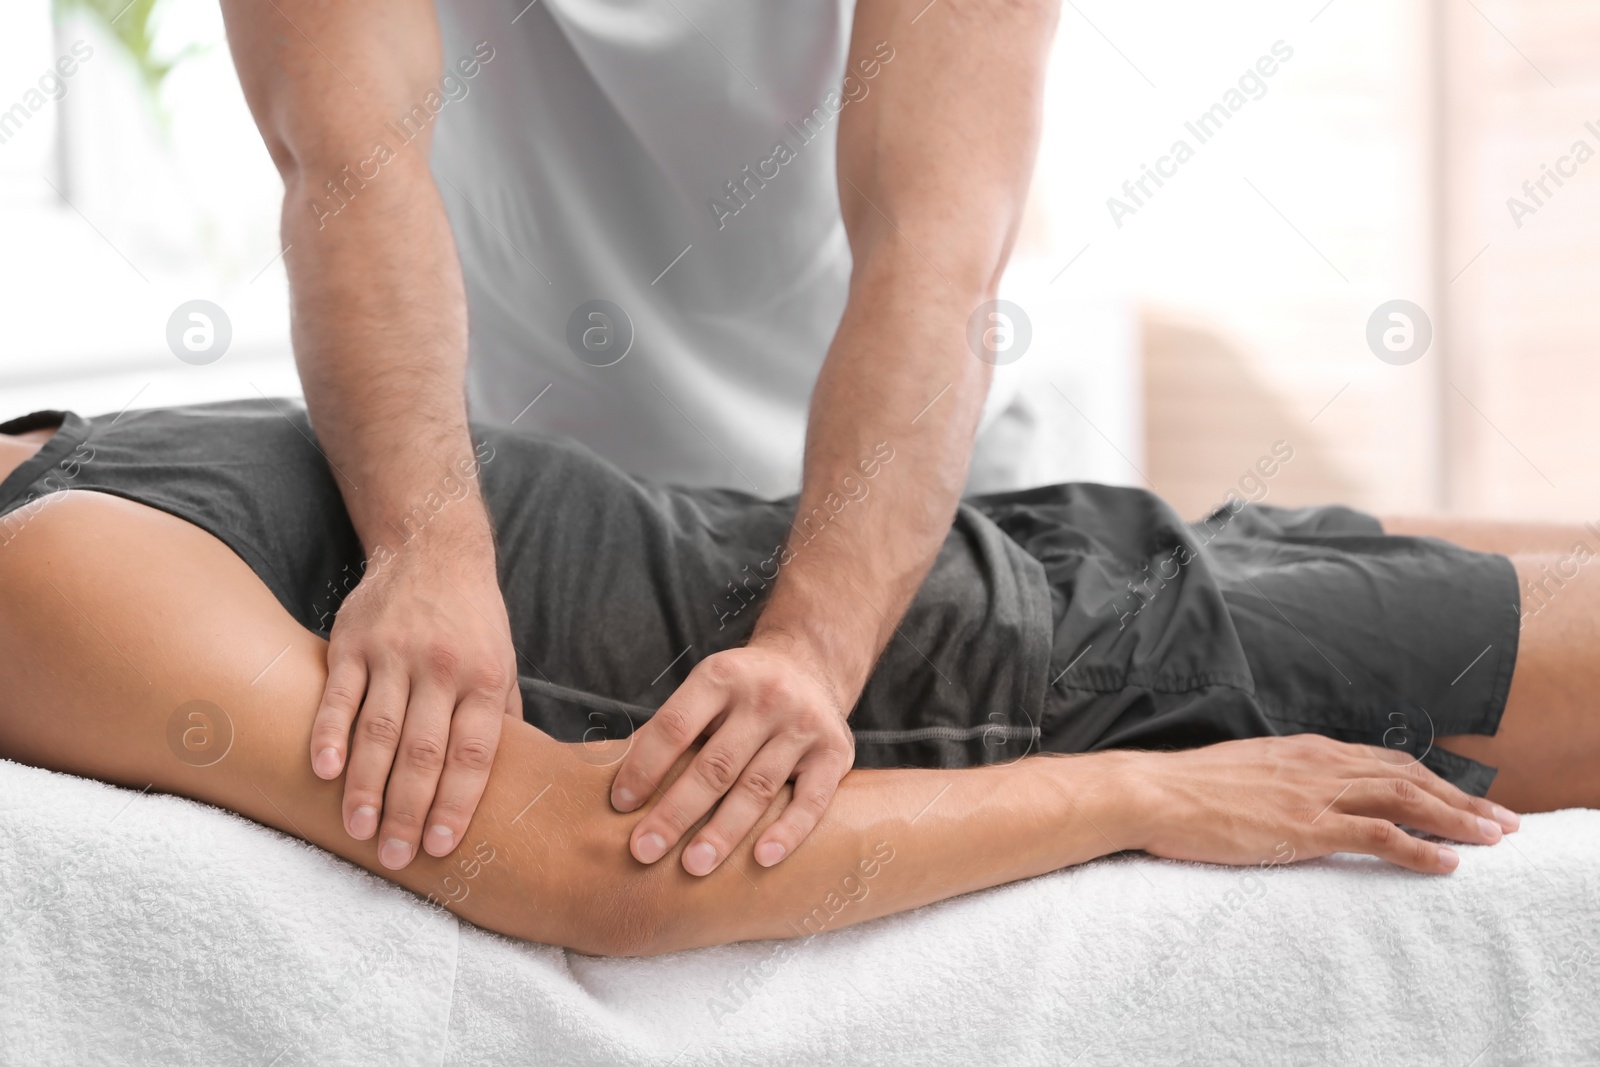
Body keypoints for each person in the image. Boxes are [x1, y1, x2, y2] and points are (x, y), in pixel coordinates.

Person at [8, 401, 1599, 956]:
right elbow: (588, 854)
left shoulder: (62, 457)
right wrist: (1142, 790)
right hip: (1075, 672)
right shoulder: (47, 575)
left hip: (1040, 558)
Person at [217, 0, 1062, 875]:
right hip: (535, 500)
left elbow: (934, 259)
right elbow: (352, 168)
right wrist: (421, 550)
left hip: (901, 492)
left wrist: (814, 650)